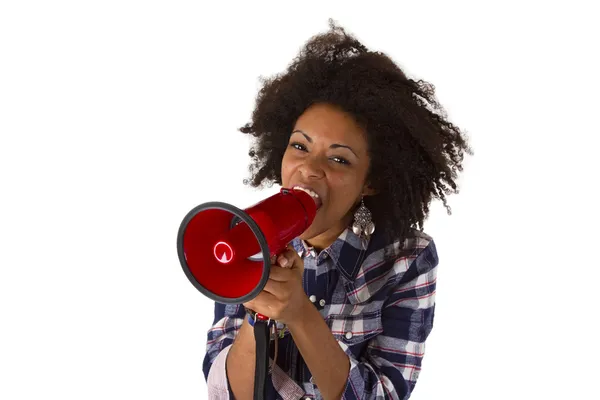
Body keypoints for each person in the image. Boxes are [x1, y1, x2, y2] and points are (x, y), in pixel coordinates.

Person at [202, 20, 472, 400]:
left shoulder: (407, 259)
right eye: (299, 146)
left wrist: (298, 312)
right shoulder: (243, 235)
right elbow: (226, 393)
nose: (311, 168)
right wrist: (258, 312)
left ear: (371, 182)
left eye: (340, 160)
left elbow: (384, 395)